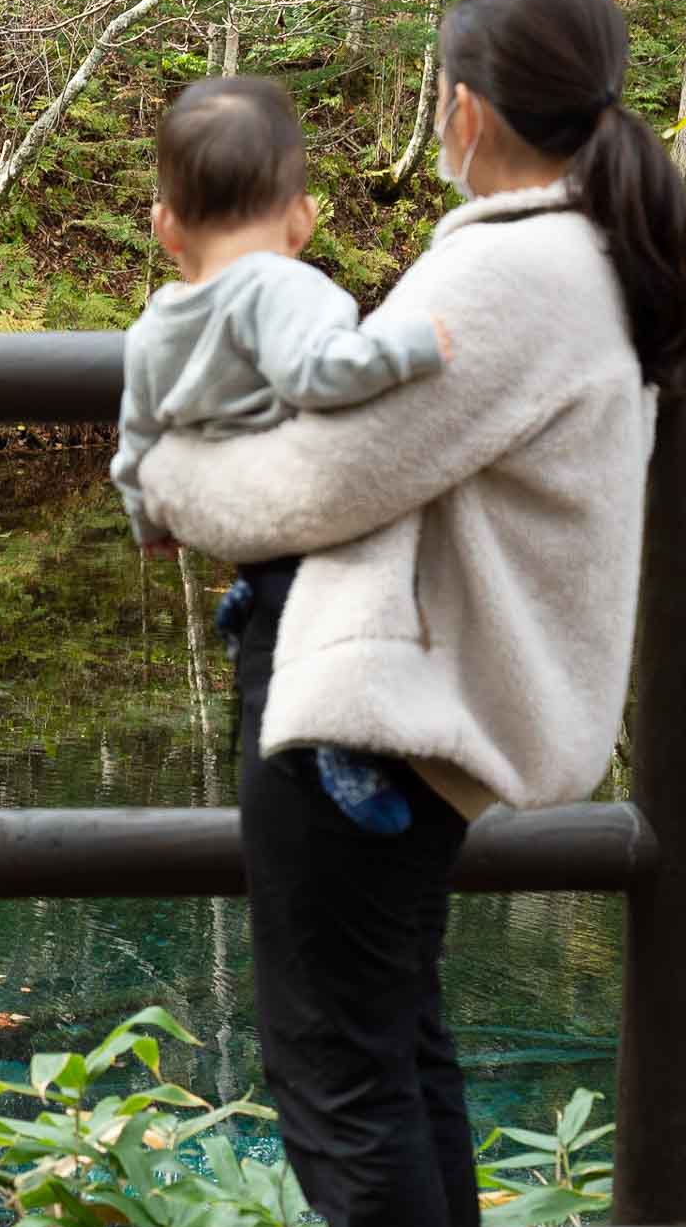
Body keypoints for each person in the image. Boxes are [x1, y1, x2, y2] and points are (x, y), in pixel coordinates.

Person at [132, 0, 686, 1227]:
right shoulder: (576, 247)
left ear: (464, 106)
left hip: (381, 708)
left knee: (335, 1054)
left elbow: (330, 477)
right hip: (414, 702)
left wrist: (165, 480)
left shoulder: (510, 270)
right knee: (395, 1036)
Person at [110, 76, 447, 837]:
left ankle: (243, 602)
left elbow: (136, 440)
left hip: (238, 522)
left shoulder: (155, 325)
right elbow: (319, 373)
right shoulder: (285, 289)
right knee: (380, 571)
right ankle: (341, 744)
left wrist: (145, 517)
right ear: (302, 219)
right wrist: (410, 345)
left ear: (166, 228)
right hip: (308, 522)